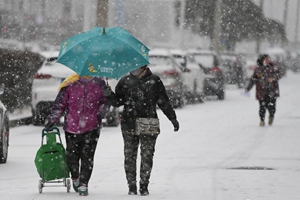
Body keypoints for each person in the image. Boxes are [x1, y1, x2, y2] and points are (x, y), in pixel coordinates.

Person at [105, 65, 179, 196]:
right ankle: (131, 185)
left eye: (137, 67)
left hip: (148, 123)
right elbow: (118, 102)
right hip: (129, 123)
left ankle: (144, 185)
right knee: (129, 156)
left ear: (144, 67)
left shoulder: (154, 80)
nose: (134, 69)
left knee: (147, 156)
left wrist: (172, 118)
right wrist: (109, 94)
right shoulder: (125, 81)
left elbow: (163, 101)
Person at [44, 74, 110, 196]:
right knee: (71, 157)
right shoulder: (70, 82)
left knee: (87, 157)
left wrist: (99, 114)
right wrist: (52, 119)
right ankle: (75, 177)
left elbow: (105, 103)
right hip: (71, 127)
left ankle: (84, 184)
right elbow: (60, 104)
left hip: (92, 127)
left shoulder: (100, 83)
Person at [245, 54, 283, 127]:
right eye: (265, 59)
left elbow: (280, 74)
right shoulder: (258, 69)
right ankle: (262, 120)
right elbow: (253, 79)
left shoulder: (273, 67)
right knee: (262, 107)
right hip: (261, 91)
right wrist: (248, 88)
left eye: (268, 59)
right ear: (261, 60)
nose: (267, 60)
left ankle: (271, 116)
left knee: (272, 106)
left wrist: (273, 78)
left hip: (272, 90)